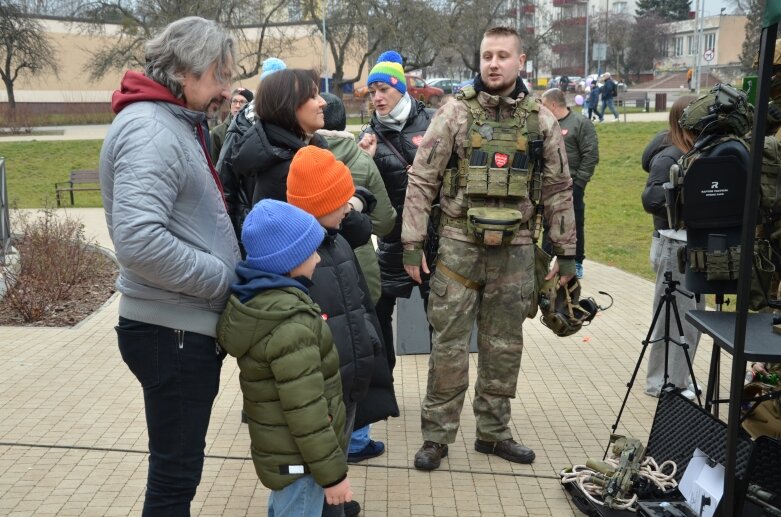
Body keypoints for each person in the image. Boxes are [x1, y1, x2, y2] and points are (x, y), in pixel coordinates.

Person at [401, 26, 576, 471]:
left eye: (502, 56)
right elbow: (422, 179)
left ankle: (494, 433)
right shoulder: (455, 113)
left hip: (517, 253)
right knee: (448, 349)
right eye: (486, 56)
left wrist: (567, 253)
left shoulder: (542, 120)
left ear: (521, 62)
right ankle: (437, 438)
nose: (493, 64)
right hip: (459, 249)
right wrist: (411, 243)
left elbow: (558, 188)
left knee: (503, 346)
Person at [99, 17, 241, 514]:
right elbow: (138, 241)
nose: (226, 89)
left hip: (175, 324)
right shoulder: (150, 129)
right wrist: (222, 278)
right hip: (171, 329)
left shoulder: (168, 121)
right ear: (185, 71)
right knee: (175, 475)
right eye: (219, 76)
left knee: (177, 469)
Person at [218, 199, 353, 515]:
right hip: (302, 462)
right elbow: (306, 413)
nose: (318, 258)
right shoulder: (291, 324)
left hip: (285, 456)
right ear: (289, 261)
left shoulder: (262, 304)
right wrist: (334, 477)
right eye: (311, 252)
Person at [286, 145, 389, 517]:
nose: (349, 207)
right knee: (309, 472)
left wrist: (368, 343)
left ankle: (330, 508)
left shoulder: (336, 240)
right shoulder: (297, 258)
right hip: (317, 388)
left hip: (345, 379)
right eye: (342, 200)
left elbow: (356, 302)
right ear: (321, 203)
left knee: (335, 453)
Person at [316, 93, 399, 464]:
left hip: (313, 268)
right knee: (363, 347)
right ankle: (359, 438)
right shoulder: (362, 162)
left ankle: (323, 433)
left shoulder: (303, 158)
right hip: (360, 267)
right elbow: (385, 222)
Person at [359, 50, 435, 370]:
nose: (377, 98)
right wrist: (364, 160)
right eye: (372, 92)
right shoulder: (369, 136)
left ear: (401, 88)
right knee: (377, 313)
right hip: (392, 243)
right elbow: (361, 193)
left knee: (442, 321)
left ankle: (441, 392)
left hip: (436, 242)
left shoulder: (432, 122)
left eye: (383, 90)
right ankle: (384, 385)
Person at [640, 95, 704, 399]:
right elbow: (651, 199)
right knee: (671, 318)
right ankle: (663, 383)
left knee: (691, 319)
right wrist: (686, 203)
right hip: (672, 247)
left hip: (691, 247)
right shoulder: (670, 156)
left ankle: (679, 377)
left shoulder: (692, 151)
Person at [541, 88, 599, 279]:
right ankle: (544, 261)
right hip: (549, 186)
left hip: (572, 185)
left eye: (544, 105)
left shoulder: (581, 124)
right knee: (548, 223)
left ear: (553, 104)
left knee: (574, 224)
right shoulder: (547, 124)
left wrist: (580, 182)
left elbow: (591, 155)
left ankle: (577, 262)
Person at [210, 87, 253, 162]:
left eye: (242, 102)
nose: (237, 105)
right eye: (234, 101)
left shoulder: (256, 129)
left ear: (249, 106)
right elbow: (214, 164)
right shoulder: (217, 133)